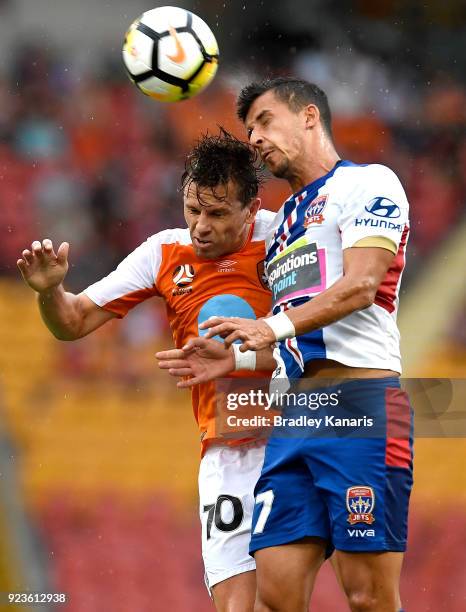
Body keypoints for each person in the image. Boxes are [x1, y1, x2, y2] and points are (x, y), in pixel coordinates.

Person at [162, 78, 411, 612]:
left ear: (309, 117)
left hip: (359, 406)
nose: (255, 136)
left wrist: (270, 327)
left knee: (368, 595)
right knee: (273, 595)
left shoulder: (369, 183)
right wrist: (236, 357)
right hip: (294, 415)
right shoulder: (283, 227)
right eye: (249, 128)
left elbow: (363, 284)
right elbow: (294, 335)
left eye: (265, 120)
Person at [17, 131, 276, 612]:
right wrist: (49, 292)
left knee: (321, 594)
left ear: (252, 209)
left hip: (299, 434)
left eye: (217, 214)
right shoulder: (162, 253)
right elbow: (72, 322)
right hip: (226, 448)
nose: (200, 226)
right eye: (192, 209)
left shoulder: (284, 240)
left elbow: (326, 335)